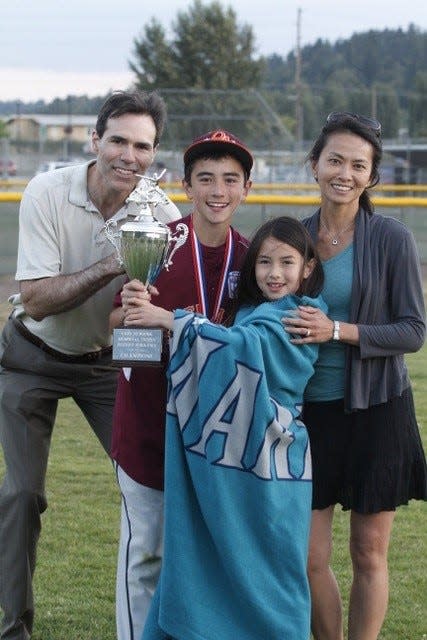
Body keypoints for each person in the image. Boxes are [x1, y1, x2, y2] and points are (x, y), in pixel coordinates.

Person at [0, 89, 181, 640]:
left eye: (143, 146)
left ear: (154, 153)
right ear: (94, 140)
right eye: (119, 140)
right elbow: (35, 298)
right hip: (32, 354)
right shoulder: (48, 191)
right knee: (22, 494)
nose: (130, 155)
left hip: (110, 364)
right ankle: (14, 628)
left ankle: (166, 624)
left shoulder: (162, 215)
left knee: (156, 491)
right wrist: (113, 265)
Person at [124, 215, 325, 640]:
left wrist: (169, 320)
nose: (274, 273)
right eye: (264, 263)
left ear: (307, 267)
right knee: (208, 552)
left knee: (273, 564)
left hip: (274, 462)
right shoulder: (251, 312)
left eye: (287, 263)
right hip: (228, 455)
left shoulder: (304, 314)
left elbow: (245, 348)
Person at [283, 111, 427, 640]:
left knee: (368, 552)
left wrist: (337, 330)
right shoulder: (293, 236)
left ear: (372, 177)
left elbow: (412, 331)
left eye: (357, 164)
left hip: (377, 410)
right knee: (308, 557)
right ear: (315, 164)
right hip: (307, 416)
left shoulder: (389, 238)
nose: (344, 172)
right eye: (335, 159)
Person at [109, 129, 255, 640]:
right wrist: (132, 309)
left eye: (230, 180)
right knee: (147, 553)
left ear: (247, 189)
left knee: (209, 558)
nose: (218, 190)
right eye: (205, 179)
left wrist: (172, 319)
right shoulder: (157, 243)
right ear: (188, 187)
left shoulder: (255, 258)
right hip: (151, 420)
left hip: (216, 433)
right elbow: (111, 324)